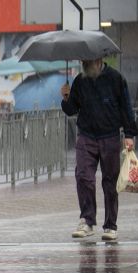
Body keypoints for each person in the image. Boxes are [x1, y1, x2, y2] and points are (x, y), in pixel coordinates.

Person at [60, 58, 136, 240]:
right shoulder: (80, 80)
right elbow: (71, 110)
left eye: (89, 59)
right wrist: (65, 98)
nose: (85, 62)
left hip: (109, 136)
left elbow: (126, 107)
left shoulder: (116, 78)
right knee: (83, 176)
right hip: (86, 136)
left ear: (99, 59)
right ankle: (87, 220)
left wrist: (129, 134)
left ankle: (110, 225)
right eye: (83, 60)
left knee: (110, 181)